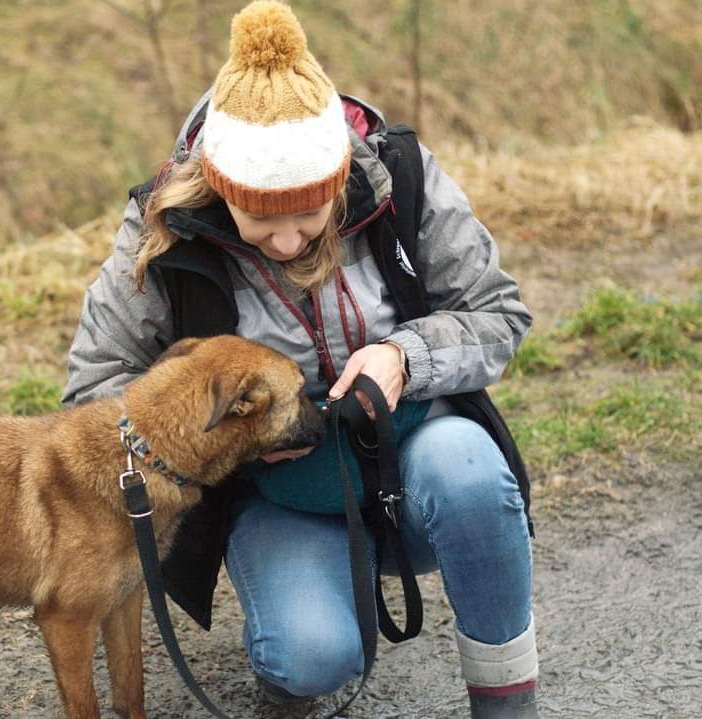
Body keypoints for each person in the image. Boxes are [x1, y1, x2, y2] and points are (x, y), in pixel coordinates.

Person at [62, 2, 538, 717]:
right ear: (221, 188)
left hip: (413, 455)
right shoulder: (162, 230)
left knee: (471, 480)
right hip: (279, 498)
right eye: (262, 220)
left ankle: (506, 704)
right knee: (312, 654)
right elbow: (92, 399)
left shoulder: (402, 177)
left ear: (340, 177)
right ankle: (291, 664)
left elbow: (499, 313)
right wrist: (224, 438)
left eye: (310, 215)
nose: (287, 242)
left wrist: (402, 358)